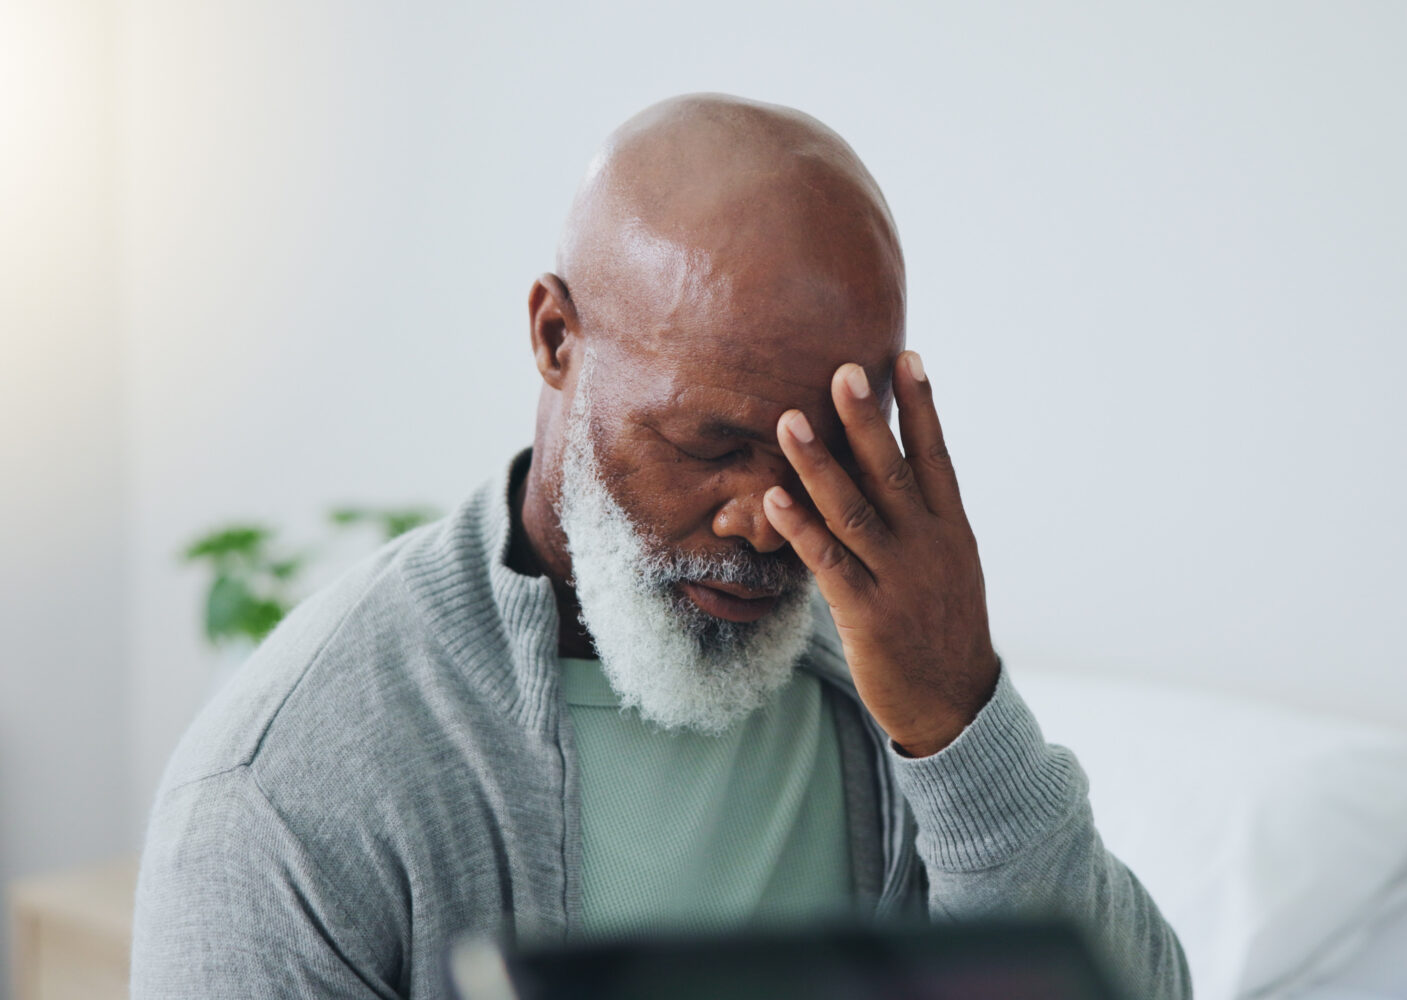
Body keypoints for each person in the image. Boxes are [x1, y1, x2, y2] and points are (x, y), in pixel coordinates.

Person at [130, 93, 1189, 999]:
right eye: (712, 443)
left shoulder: (886, 685)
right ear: (555, 337)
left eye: (822, 453)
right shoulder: (287, 786)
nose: (765, 520)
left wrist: (959, 726)